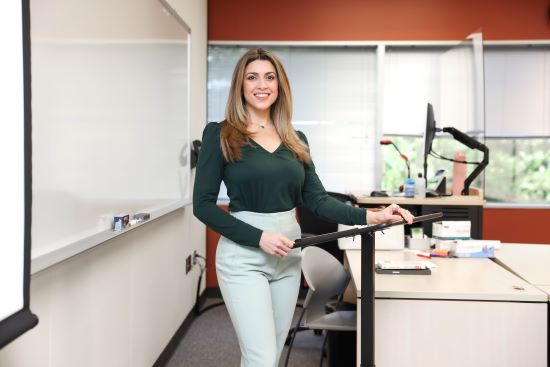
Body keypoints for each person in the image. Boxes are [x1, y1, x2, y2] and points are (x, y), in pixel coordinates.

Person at [193, 48, 413, 367]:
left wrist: (373, 215)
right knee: (262, 357)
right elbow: (203, 206)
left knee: (270, 353)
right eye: (252, 77)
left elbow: (318, 200)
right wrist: (259, 238)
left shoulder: (296, 140)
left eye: (270, 77)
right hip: (244, 258)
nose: (261, 84)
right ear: (240, 85)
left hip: (288, 257)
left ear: (280, 85)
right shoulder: (220, 134)